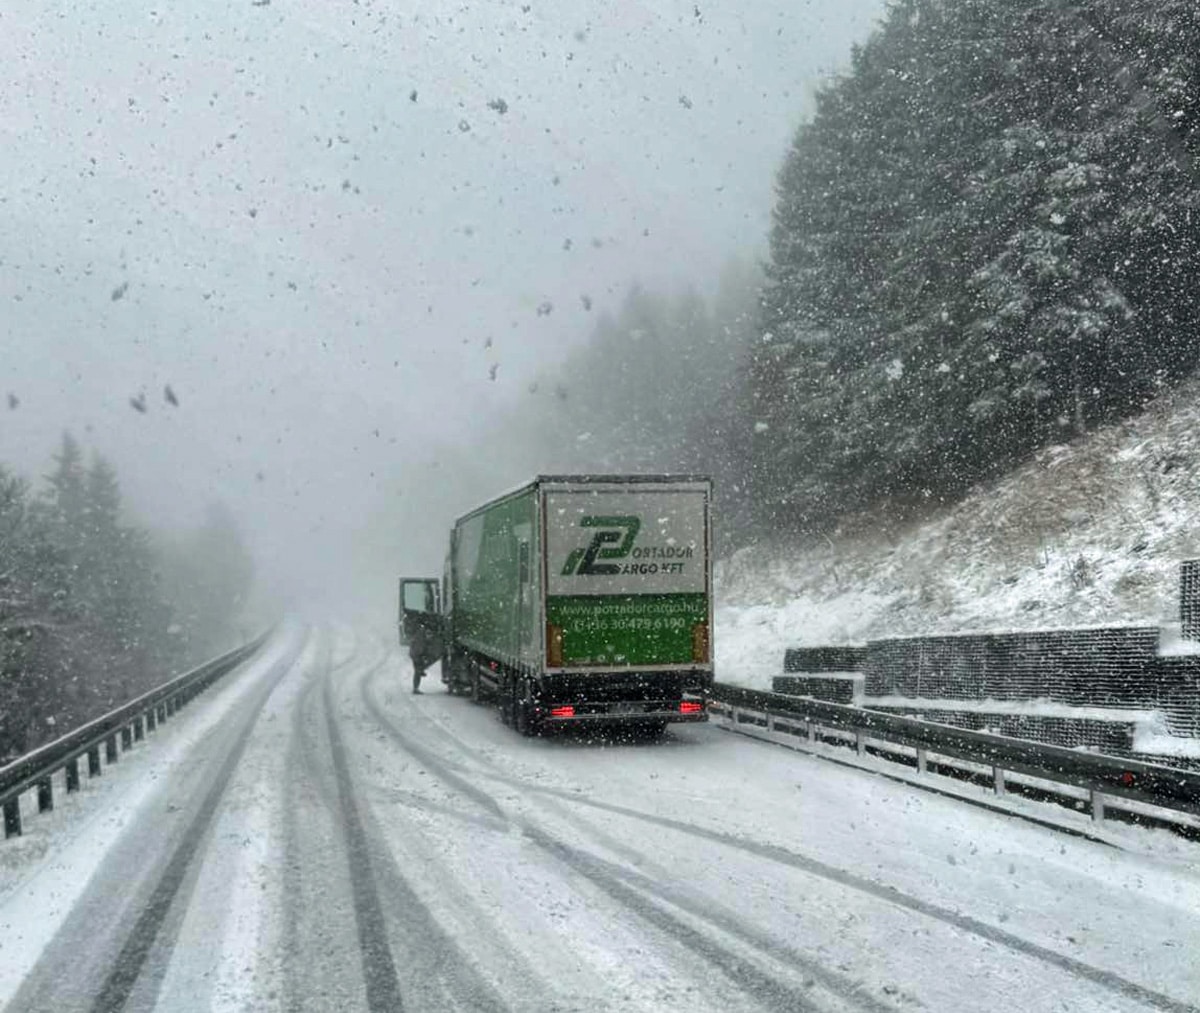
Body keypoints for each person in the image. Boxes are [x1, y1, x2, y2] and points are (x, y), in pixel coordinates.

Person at [407, 610, 441, 694]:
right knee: (417, 670)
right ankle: (416, 687)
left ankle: (417, 684)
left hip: (417, 653)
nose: (430, 636)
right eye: (429, 634)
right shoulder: (421, 637)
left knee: (418, 670)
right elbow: (418, 649)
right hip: (416, 654)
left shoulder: (421, 633)